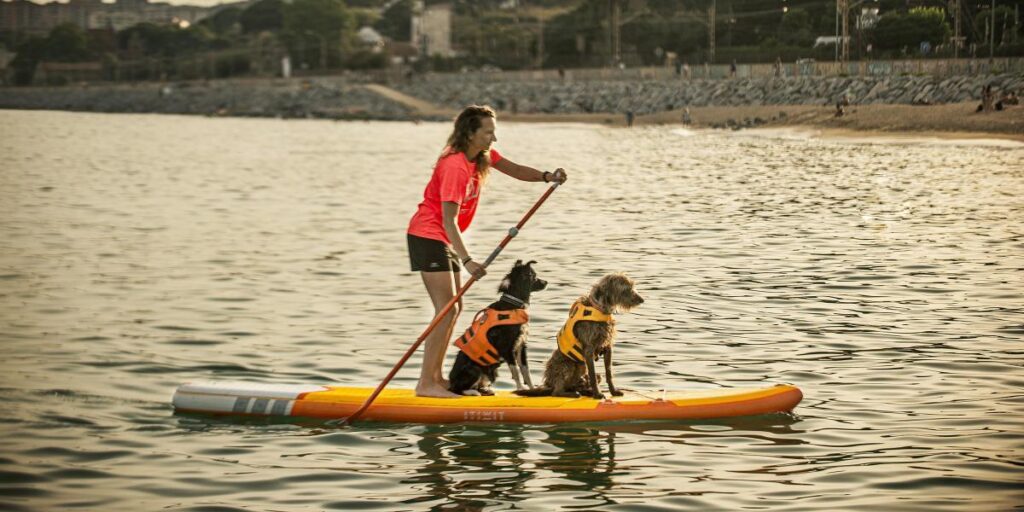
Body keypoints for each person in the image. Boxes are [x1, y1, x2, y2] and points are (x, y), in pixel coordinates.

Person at [406, 105, 568, 397]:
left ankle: (436, 378)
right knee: (446, 310)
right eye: (488, 131)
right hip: (428, 236)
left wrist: (548, 177)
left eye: (494, 131)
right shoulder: (454, 165)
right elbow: (448, 219)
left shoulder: (482, 157)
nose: (494, 137)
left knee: (453, 308)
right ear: (470, 133)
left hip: (443, 239)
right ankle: (425, 384)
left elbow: (516, 170)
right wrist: (467, 260)